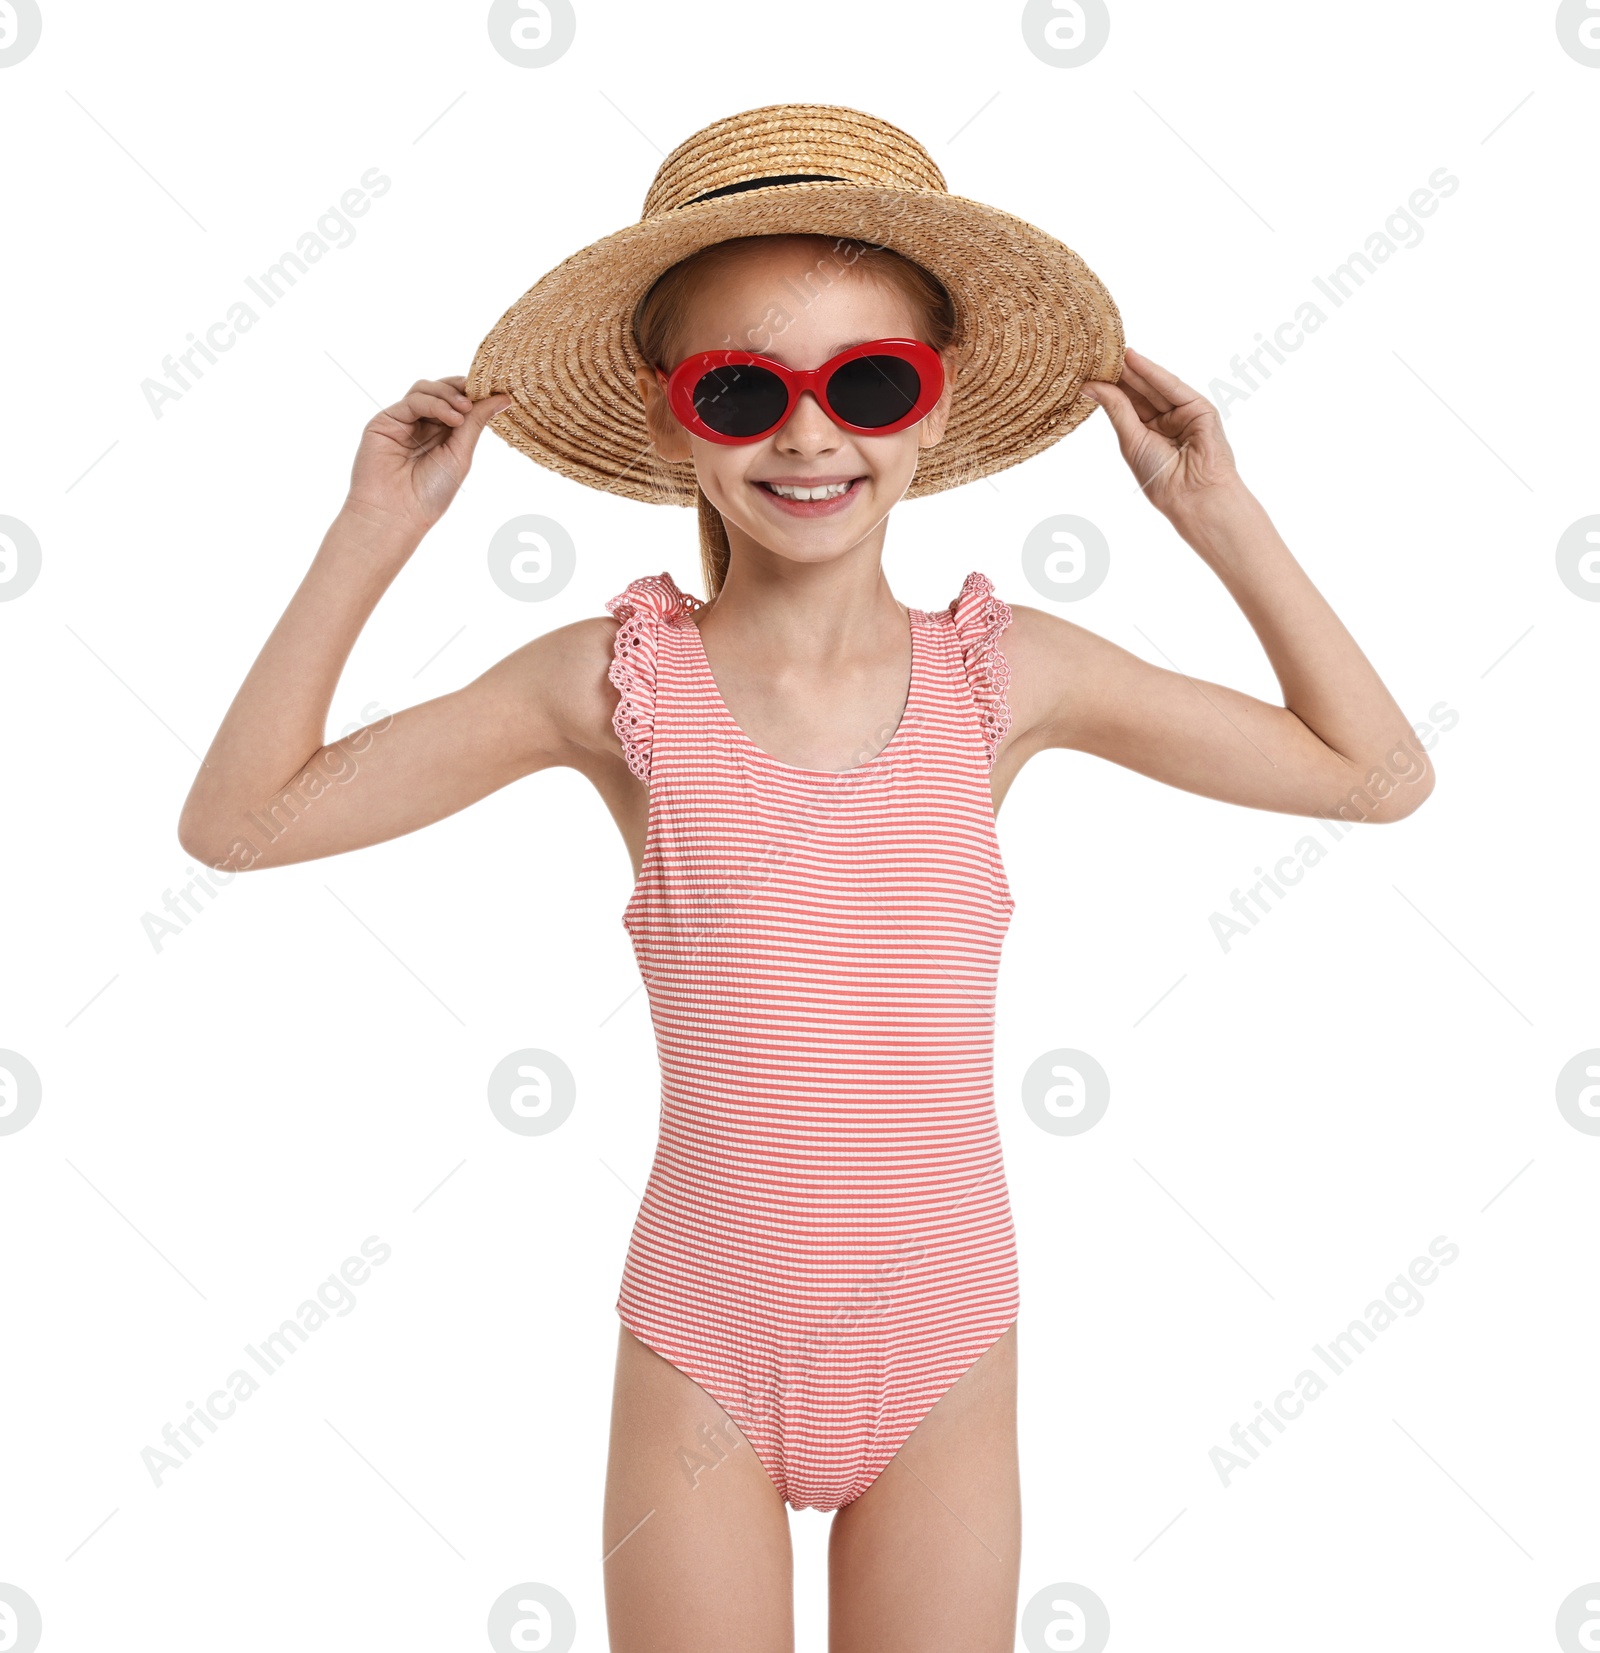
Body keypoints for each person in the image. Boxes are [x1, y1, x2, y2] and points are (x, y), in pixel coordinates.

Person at [177, 103, 1434, 1653]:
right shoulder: (615, 683)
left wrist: (1218, 517)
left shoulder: (1005, 674)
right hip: (706, 1342)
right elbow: (240, 821)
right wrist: (373, 536)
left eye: (869, 382)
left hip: (946, 1347)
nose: (808, 436)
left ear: (932, 406)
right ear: (667, 420)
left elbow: (1378, 776)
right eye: (742, 391)